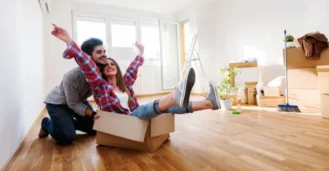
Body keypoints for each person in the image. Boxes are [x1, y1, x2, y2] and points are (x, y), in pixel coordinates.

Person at [51, 24, 221, 120]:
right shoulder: (99, 85)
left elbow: (132, 70)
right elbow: (87, 64)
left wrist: (140, 53)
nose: (109, 64)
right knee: (153, 105)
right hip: (123, 121)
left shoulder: (125, 85)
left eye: (112, 63)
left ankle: (208, 104)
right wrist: (68, 40)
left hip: (134, 117)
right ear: (100, 72)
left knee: (167, 108)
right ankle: (175, 95)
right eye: (105, 65)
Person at [39, 37, 106, 144]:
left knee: (94, 128)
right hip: (58, 104)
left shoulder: (101, 74)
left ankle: (65, 124)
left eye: (104, 51)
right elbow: (73, 104)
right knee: (67, 137)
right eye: (99, 52)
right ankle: (47, 123)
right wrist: (93, 114)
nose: (104, 55)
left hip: (78, 100)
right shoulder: (72, 76)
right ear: (88, 57)